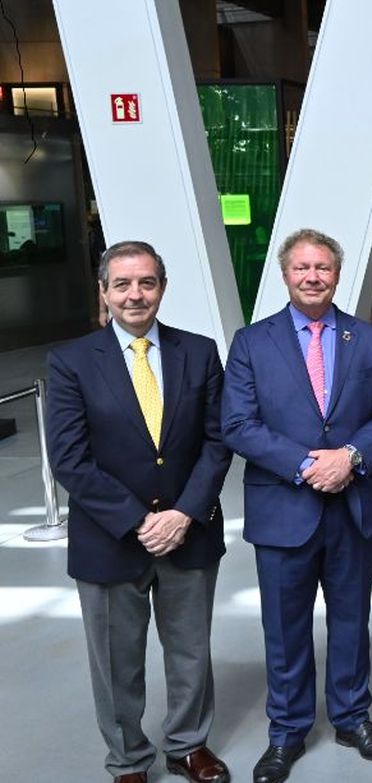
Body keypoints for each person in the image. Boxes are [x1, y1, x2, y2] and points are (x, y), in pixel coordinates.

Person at [222, 228, 372, 783]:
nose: (312, 277)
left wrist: (349, 456)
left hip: (355, 506)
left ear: (337, 273)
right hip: (284, 507)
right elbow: (237, 424)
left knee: (352, 618)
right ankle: (287, 731)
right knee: (285, 627)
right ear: (285, 274)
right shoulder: (252, 342)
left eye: (323, 267)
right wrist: (308, 464)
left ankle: (352, 718)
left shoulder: (369, 340)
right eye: (302, 267)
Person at [47, 241, 232, 783]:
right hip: (110, 539)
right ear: (104, 291)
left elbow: (218, 443)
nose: (135, 294)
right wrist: (138, 521)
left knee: (191, 650)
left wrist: (184, 514)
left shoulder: (198, 352)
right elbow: (69, 458)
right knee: (115, 661)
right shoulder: (72, 361)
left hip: (189, 531)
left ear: (162, 288)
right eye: (123, 284)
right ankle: (128, 758)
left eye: (146, 282)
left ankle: (188, 745)